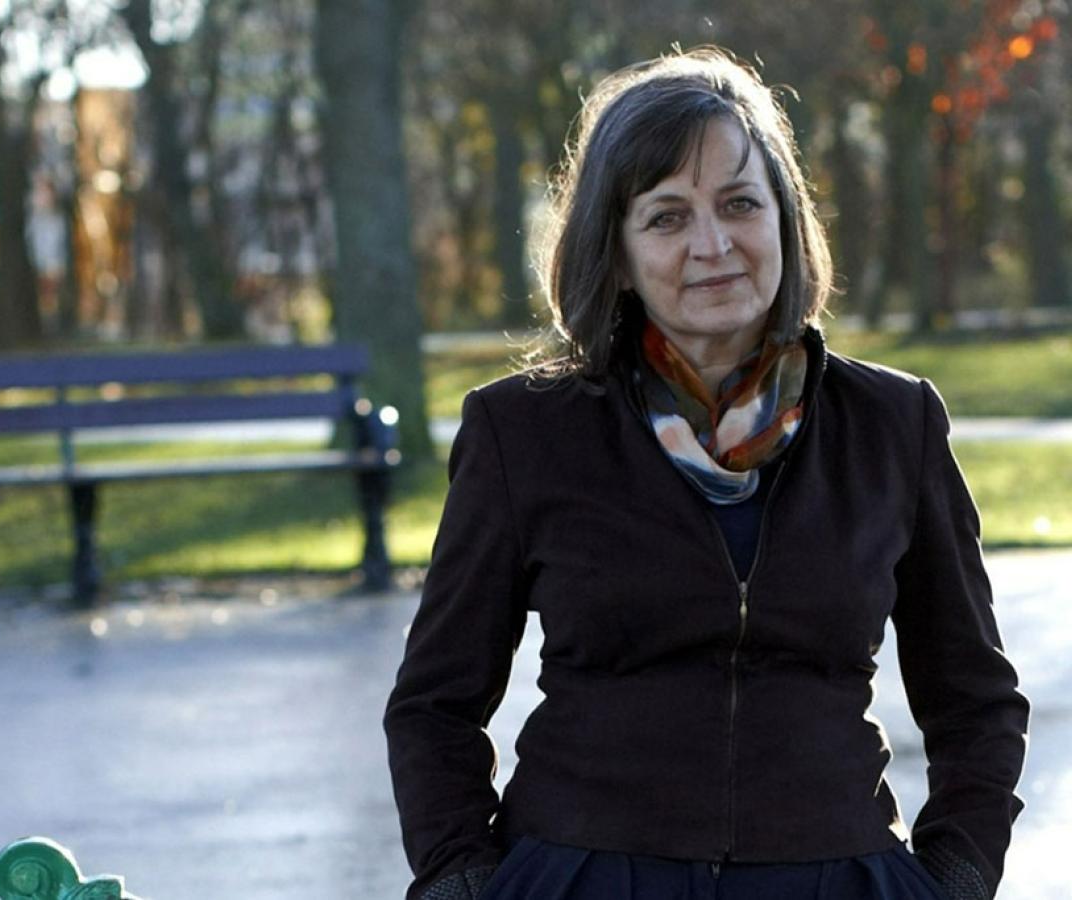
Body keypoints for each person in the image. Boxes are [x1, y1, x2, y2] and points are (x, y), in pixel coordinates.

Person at [384, 47, 1029, 900]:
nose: (713, 244)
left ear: (785, 222)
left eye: (738, 204)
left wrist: (955, 874)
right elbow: (435, 704)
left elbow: (976, 700)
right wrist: (461, 877)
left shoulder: (892, 425)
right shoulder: (524, 432)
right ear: (614, 251)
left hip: (834, 874)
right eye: (666, 217)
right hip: (581, 874)